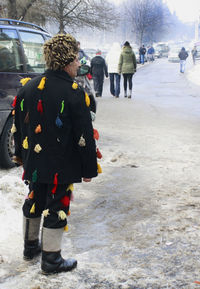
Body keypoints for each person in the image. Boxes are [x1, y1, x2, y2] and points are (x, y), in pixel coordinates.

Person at [12, 34, 98, 274]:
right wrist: (89, 169)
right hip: (62, 164)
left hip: (35, 162)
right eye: (76, 59)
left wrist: (20, 156)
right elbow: (84, 135)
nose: (79, 64)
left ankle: (30, 247)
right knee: (57, 204)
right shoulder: (73, 91)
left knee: (34, 198)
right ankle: (51, 260)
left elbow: (18, 128)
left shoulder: (28, 87)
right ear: (66, 61)